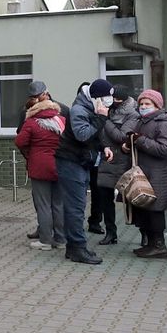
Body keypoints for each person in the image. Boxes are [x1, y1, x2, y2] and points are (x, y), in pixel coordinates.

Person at [54, 79, 112, 265]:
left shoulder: (91, 107)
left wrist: (104, 148)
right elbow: (83, 134)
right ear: (94, 98)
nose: (106, 103)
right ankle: (77, 248)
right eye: (104, 99)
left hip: (80, 161)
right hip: (71, 162)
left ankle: (75, 247)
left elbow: (94, 136)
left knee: (77, 206)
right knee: (75, 207)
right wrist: (102, 118)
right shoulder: (79, 110)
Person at [124, 89, 167, 259]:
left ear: (157, 106)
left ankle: (159, 246)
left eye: (148, 104)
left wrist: (140, 140)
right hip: (145, 174)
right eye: (141, 104)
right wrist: (129, 145)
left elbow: (166, 149)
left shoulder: (163, 123)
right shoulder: (142, 121)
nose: (143, 107)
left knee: (155, 211)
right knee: (146, 210)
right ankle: (151, 244)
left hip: (158, 175)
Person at [15, 95, 65, 251]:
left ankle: (45, 240)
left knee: (43, 205)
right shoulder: (62, 121)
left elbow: (19, 141)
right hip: (61, 165)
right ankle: (61, 239)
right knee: (58, 204)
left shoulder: (31, 123)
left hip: (40, 167)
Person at [94, 86, 140, 247]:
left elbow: (121, 136)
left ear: (122, 100)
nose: (111, 102)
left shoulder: (132, 115)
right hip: (108, 159)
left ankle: (145, 234)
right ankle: (110, 233)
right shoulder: (109, 110)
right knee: (105, 198)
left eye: (115, 100)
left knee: (132, 198)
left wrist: (105, 120)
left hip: (123, 161)